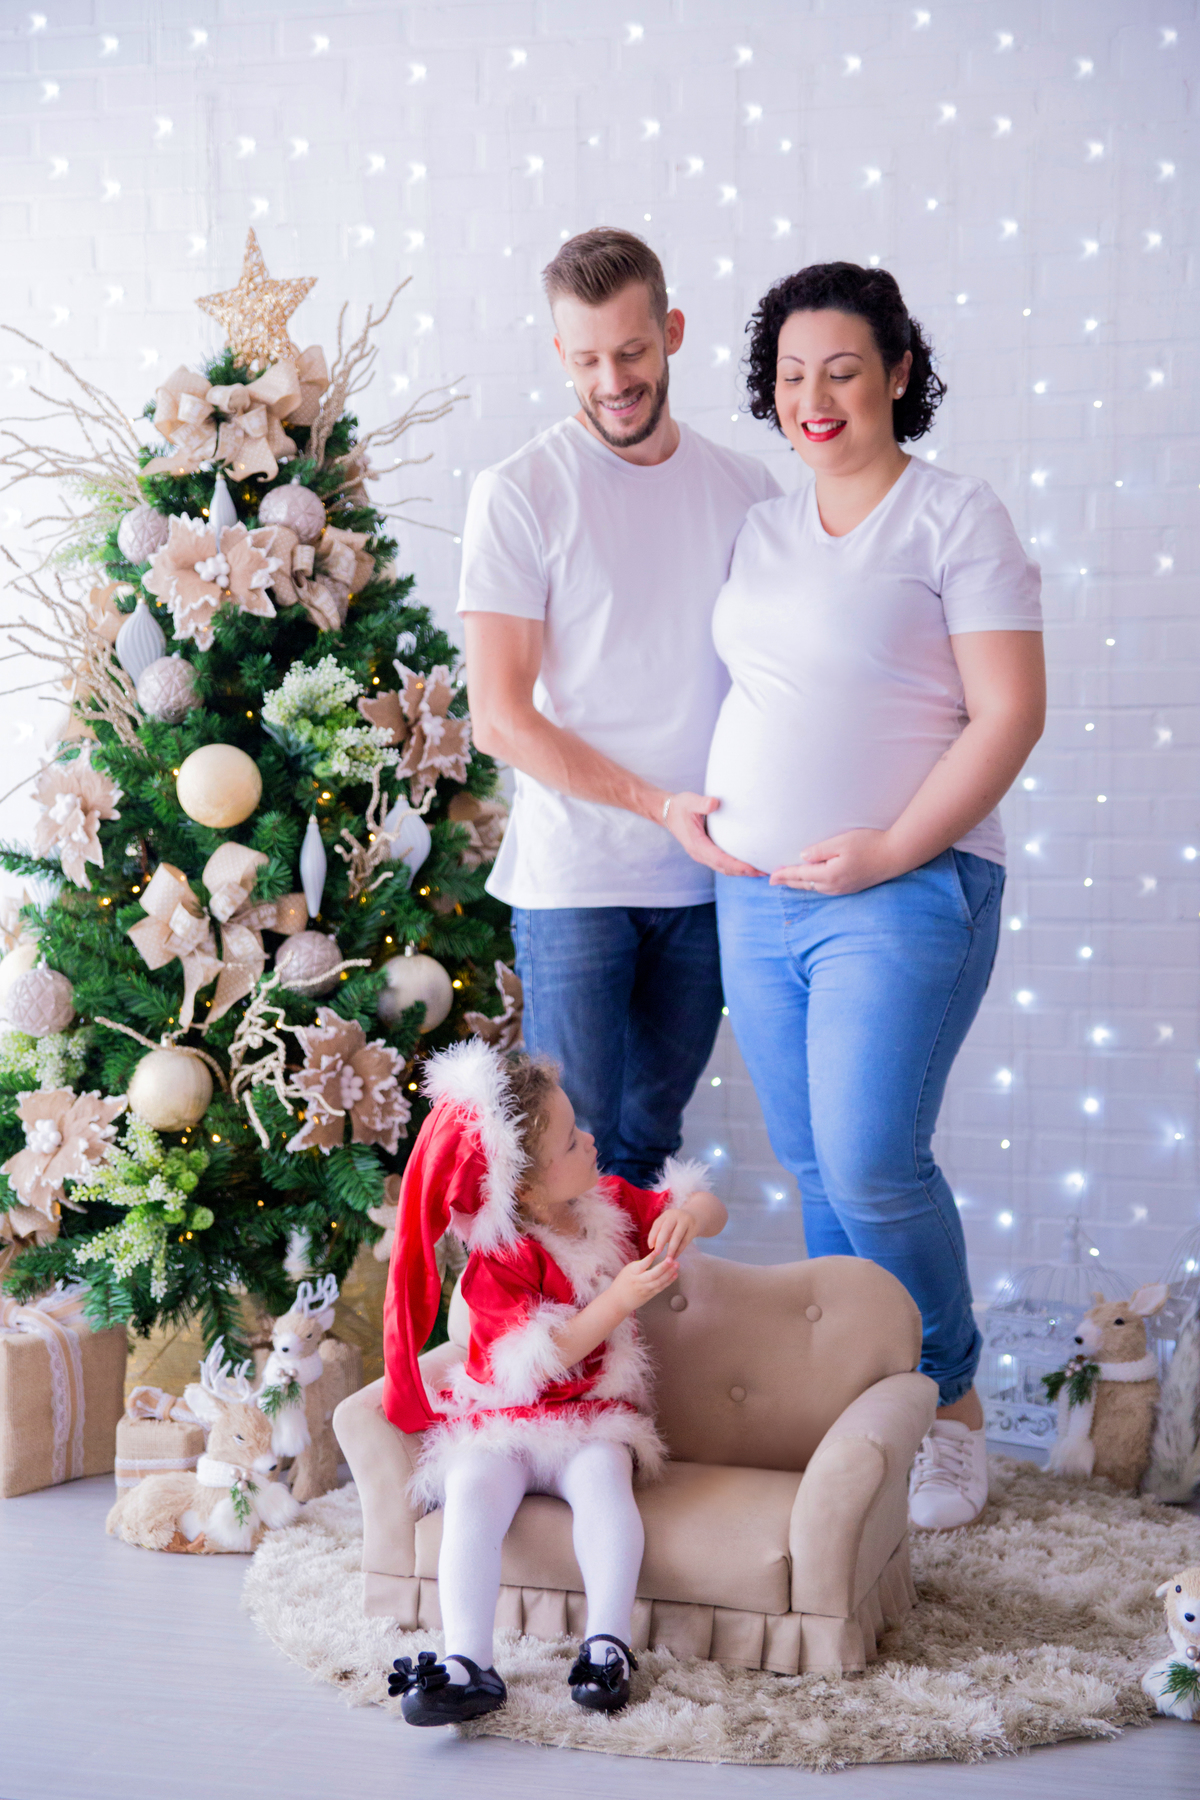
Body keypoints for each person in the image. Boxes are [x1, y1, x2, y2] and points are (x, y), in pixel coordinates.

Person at [703, 262, 1045, 1532]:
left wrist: (893, 846)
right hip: (758, 897)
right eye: (792, 377)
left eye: (842, 369)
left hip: (907, 891)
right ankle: (870, 1409)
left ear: (899, 371)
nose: (815, 398)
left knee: (872, 1158)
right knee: (815, 1171)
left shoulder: (956, 518)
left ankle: (952, 1411)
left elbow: (1011, 713)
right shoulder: (764, 527)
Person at [460, 227, 779, 1187]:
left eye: (633, 352)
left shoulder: (747, 490)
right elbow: (499, 718)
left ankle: (624, 1343)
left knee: (645, 1148)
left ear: (672, 332)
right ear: (561, 356)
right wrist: (655, 807)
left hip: (706, 883)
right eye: (588, 358)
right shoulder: (519, 493)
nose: (614, 379)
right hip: (578, 880)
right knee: (563, 1161)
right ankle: (550, 1341)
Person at [381, 1040, 726, 1725]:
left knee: (605, 1482)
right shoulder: (498, 1258)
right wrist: (620, 1299)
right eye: (572, 1140)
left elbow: (704, 1205)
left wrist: (691, 1215)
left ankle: (607, 1644)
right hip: (506, 1420)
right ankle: (466, 1661)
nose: (591, 1140)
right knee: (471, 1489)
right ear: (526, 1186)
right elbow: (541, 1357)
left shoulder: (608, 1207)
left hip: (591, 1417)